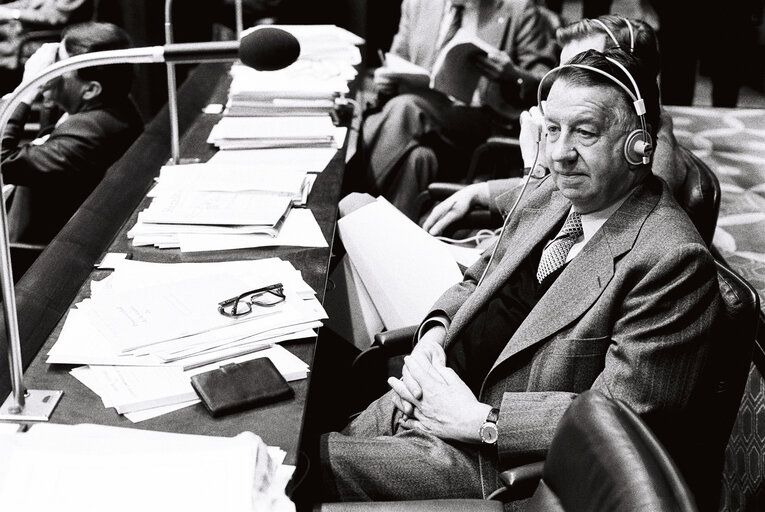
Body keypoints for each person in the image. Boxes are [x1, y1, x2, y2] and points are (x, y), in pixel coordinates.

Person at [321, 48, 721, 504]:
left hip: (493, 459)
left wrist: (477, 420)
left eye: (584, 133)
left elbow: (618, 419)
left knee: (300, 470)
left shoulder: (672, 261)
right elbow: (476, 280)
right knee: (294, 444)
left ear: (638, 145)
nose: (558, 154)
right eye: (552, 129)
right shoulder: (552, 193)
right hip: (429, 392)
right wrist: (433, 338)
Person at [423, 15, 688, 236]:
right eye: (563, 72)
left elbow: (573, 230)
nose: (562, 86)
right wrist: (481, 191)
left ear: (625, 70)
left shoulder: (650, 159)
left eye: (579, 71)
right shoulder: (636, 128)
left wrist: (535, 166)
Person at [352, 0, 559, 220]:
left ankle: (355, 199)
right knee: (419, 159)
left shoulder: (519, 9)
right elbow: (396, 59)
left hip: (479, 121)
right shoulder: (417, 4)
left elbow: (547, 84)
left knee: (404, 108)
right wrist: (387, 78)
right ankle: (388, 234)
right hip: (420, 121)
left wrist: (513, 75)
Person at [1, 21, 144, 246]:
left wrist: (28, 88)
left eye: (58, 64)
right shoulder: (110, 103)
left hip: (28, 255)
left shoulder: (90, 133)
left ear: (90, 89)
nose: (48, 69)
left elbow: (3, 162)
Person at [0, 0, 91, 94]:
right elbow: (28, 2)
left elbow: (56, 17)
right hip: (17, 28)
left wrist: (13, 13)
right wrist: (5, 9)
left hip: (34, 40)